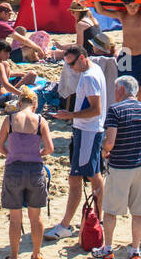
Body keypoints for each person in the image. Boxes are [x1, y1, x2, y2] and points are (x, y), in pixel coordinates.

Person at [44, 46, 107, 241]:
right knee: (94, 175)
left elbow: (95, 109)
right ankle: (98, 217)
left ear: (81, 58)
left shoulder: (89, 77)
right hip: (90, 130)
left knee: (76, 178)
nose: (69, 68)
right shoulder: (94, 69)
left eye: (71, 63)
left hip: (88, 131)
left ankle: (65, 225)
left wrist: (69, 115)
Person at [94, 76, 141, 259]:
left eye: (115, 89)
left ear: (121, 89)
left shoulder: (115, 110)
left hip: (121, 166)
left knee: (111, 210)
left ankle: (107, 249)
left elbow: (111, 142)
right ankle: (135, 250)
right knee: (138, 212)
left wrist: (105, 149)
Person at [0, 86, 52, 259]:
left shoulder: (10, 120)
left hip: (14, 169)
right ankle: (36, 253)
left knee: (15, 218)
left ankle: (14, 256)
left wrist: (10, 153)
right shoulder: (41, 120)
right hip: (34, 170)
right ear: (35, 104)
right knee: (36, 217)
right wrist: (37, 154)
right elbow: (49, 148)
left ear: (19, 104)